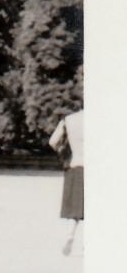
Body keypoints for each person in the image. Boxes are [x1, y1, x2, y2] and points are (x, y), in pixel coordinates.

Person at [48, 108, 84, 255]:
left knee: (76, 208)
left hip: (75, 164)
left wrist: (63, 152)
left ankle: (70, 236)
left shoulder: (69, 119)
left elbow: (53, 141)